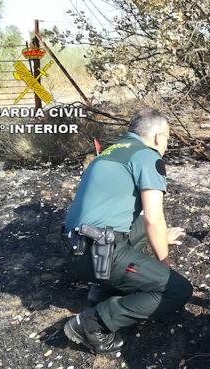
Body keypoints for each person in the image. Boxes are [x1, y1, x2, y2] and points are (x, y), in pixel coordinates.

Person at [62, 108, 193, 354]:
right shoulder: (147, 156)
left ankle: (103, 288)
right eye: (167, 138)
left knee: (143, 226)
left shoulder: (109, 152)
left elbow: (132, 217)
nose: (165, 145)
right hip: (101, 255)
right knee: (177, 289)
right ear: (157, 137)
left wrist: (161, 237)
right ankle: (91, 324)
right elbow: (154, 218)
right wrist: (164, 266)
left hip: (77, 250)